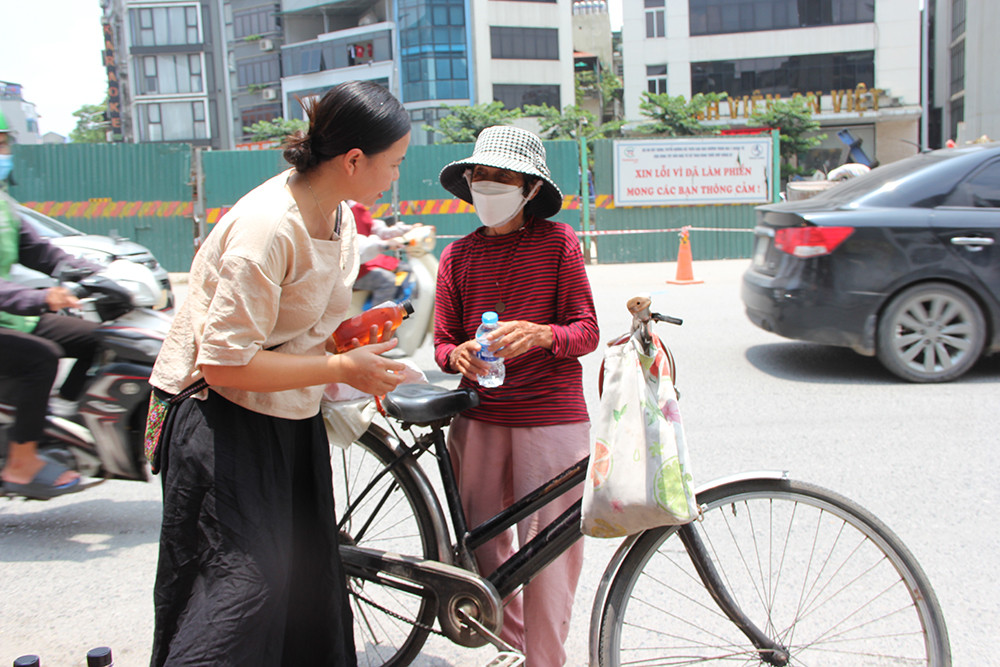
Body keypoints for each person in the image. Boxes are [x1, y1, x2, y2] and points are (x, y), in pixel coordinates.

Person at [148, 80, 411, 667]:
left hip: (285, 414)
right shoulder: (267, 228)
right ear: (352, 161)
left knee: (306, 587)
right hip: (219, 425)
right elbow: (222, 365)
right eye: (393, 163)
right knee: (239, 596)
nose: (397, 174)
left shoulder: (338, 213)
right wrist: (341, 365)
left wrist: (346, 338)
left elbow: (292, 327)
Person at [433, 126, 599, 667]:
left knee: (550, 558)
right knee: (485, 550)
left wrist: (540, 333)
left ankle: (546, 660)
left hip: (551, 420)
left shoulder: (559, 243)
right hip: (479, 419)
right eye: (480, 177)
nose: (487, 187)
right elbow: (441, 340)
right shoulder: (456, 256)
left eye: (501, 178)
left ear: (530, 189)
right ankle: (511, 648)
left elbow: (587, 332)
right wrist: (456, 354)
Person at [0, 111, 102, 500]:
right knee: (39, 358)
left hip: (10, 317)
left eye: (3, 143)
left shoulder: (3, 205)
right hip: (13, 315)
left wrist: (97, 271)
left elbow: (42, 252)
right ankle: (21, 463)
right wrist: (41, 298)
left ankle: (60, 423)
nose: (2, 152)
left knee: (98, 337)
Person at [348, 199, 405, 305]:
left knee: (403, 267)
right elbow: (352, 245)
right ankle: (378, 319)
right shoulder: (339, 210)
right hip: (348, 271)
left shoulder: (355, 207)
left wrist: (405, 230)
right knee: (388, 281)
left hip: (360, 262)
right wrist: (383, 244)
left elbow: (374, 227)